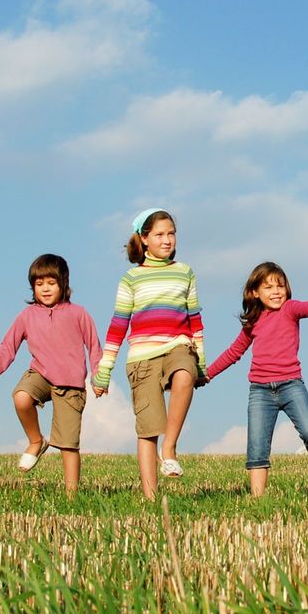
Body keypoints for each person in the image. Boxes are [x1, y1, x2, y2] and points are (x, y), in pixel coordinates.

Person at [205, 261, 308, 497]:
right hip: (260, 391)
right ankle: (258, 500)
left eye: (280, 286)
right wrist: (208, 374)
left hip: (291, 385)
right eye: (269, 287)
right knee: (257, 448)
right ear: (255, 292)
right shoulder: (253, 322)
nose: (276, 292)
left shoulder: (289, 309)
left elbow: (307, 307)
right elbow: (233, 352)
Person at [92, 209, 205, 499]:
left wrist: (200, 363)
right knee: (148, 428)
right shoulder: (131, 279)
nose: (167, 240)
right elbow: (118, 325)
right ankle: (151, 497)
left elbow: (195, 320)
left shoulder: (185, 272)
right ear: (144, 239)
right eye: (159, 235)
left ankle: (170, 447)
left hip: (178, 346)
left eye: (171, 234)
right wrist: (104, 371)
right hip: (142, 357)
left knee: (184, 375)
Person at [0, 254, 102, 496]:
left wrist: (98, 378)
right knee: (21, 396)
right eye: (39, 284)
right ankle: (36, 441)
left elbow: (94, 347)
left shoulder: (79, 313)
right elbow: (7, 347)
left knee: (68, 444)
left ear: (64, 283)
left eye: (51, 283)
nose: (45, 289)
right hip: (40, 374)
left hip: (71, 384)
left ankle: (72, 496)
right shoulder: (27, 315)